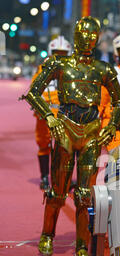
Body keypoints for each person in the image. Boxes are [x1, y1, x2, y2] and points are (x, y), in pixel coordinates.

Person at [22, 16, 120, 256]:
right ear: (75, 36)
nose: (89, 39)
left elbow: (119, 103)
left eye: (94, 35)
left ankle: (82, 244)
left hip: (91, 132)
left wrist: (111, 125)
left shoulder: (104, 69)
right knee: (57, 190)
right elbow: (33, 93)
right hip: (66, 128)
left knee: (84, 194)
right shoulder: (59, 64)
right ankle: (47, 234)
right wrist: (49, 116)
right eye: (85, 34)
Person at [32, 36, 72, 190]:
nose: (60, 56)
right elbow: (34, 90)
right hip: (45, 115)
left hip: (65, 115)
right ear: (51, 53)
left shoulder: (72, 71)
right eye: (57, 53)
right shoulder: (42, 69)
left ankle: (61, 180)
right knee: (44, 145)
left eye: (63, 53)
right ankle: (44, 177)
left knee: (65, 148)